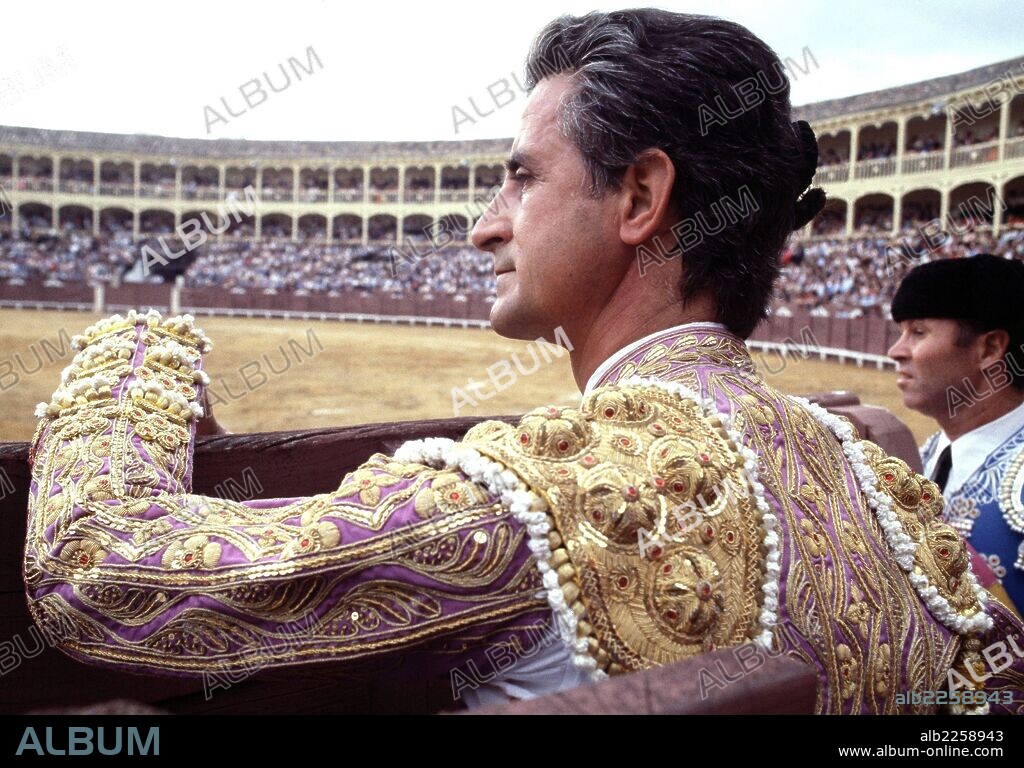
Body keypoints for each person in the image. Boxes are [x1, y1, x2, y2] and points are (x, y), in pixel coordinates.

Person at [24, 10, 1023, 714]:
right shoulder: (885, 491)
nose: (483, 227)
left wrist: (134, 356)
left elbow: (100, 575)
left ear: (640, 199)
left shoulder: (543, 498)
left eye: (520, 177)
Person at [888, 254, 1024, 613]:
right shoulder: (924, 456)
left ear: (989, 348)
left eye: (918, 332)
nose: (895, 351)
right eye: (901, 332)